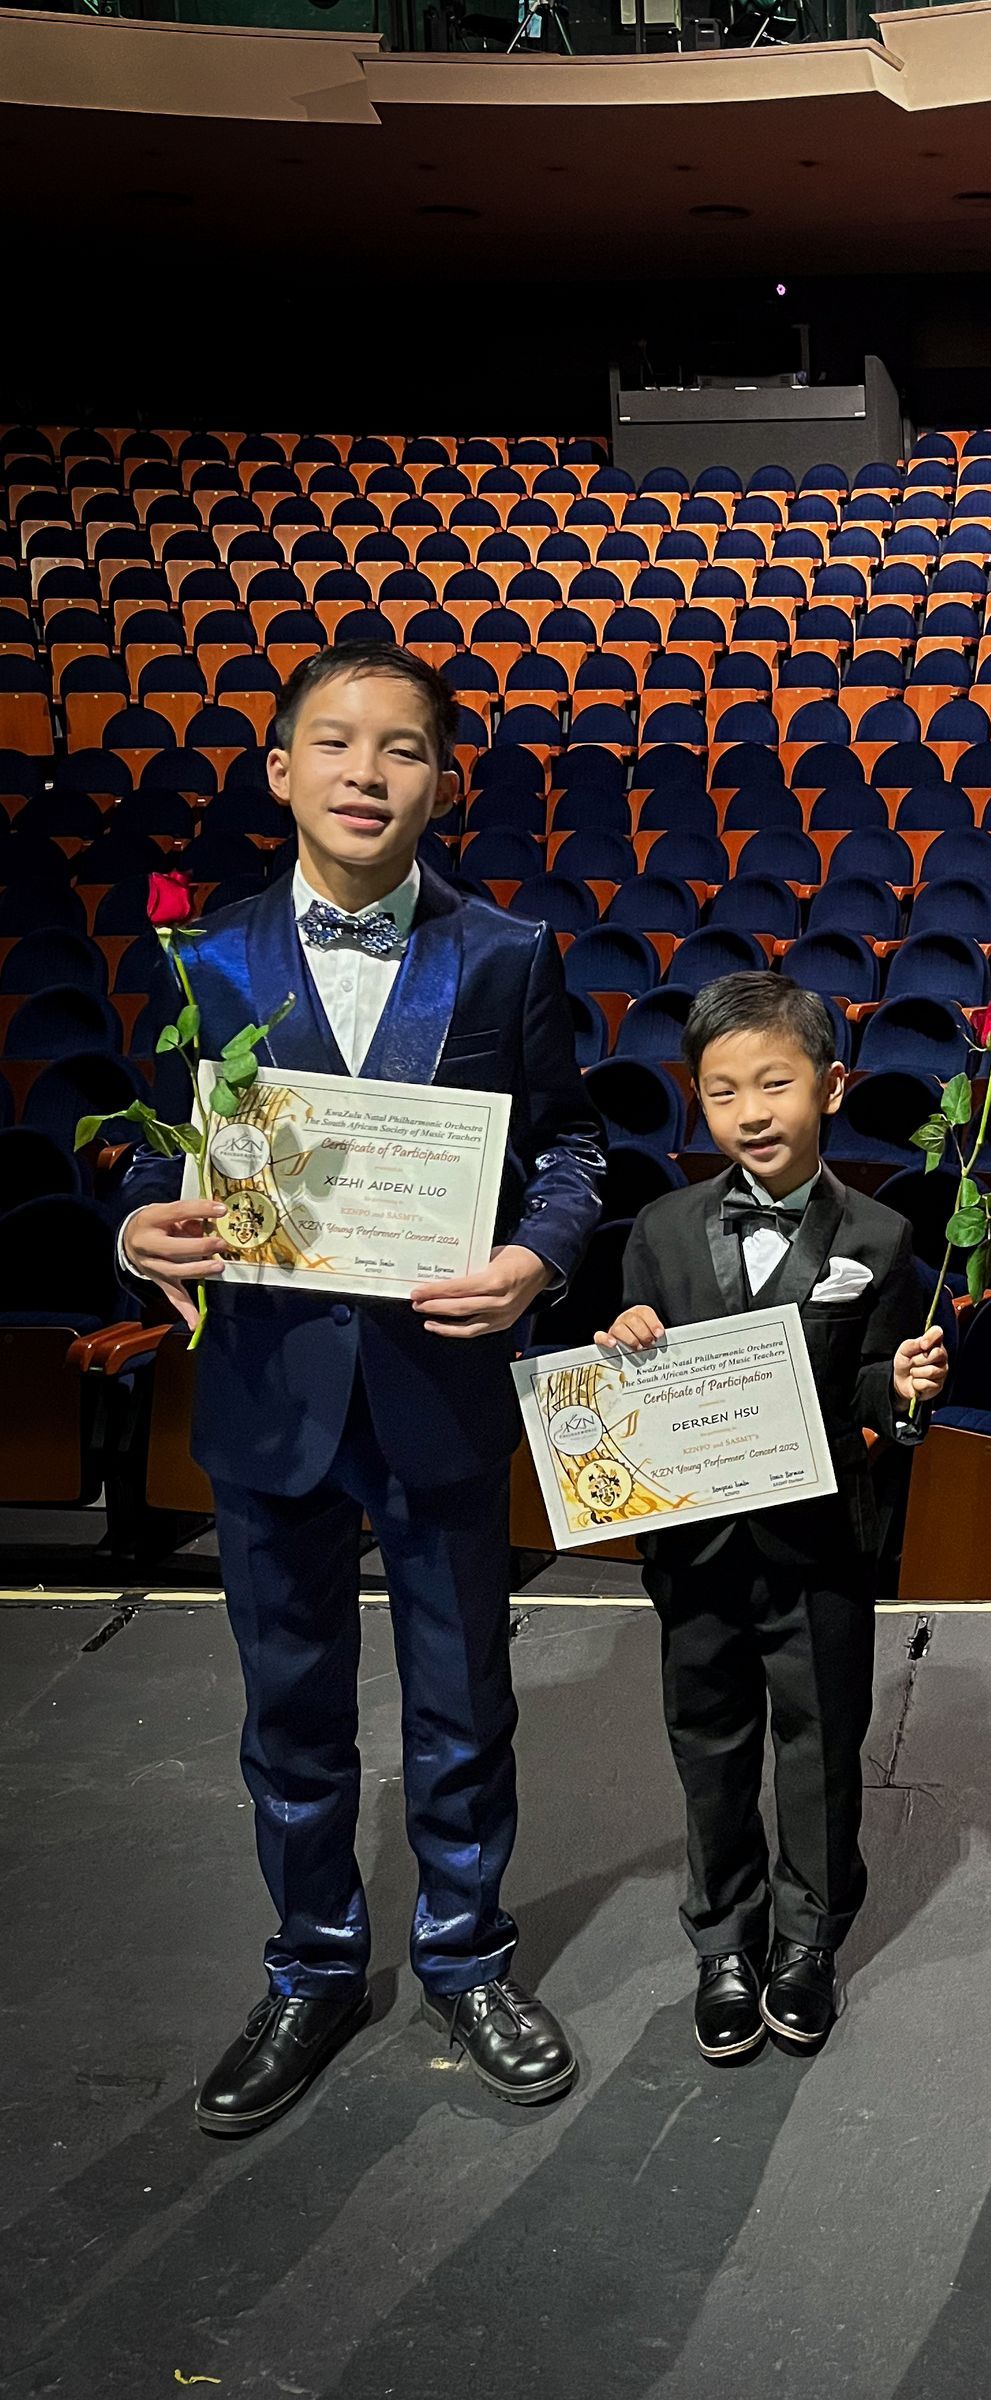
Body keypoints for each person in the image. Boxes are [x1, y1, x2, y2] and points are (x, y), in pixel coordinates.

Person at [115, 642, 604, 2134]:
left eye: (402, 750)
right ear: (281, 771)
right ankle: (313, 1967)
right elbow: (158, 1161)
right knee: (291, 1719)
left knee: (465, 1702)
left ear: (445, 783)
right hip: (270, 1404)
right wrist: (137, 1228)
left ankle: (467, 1952)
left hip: (441, 1390)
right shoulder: (203, 958)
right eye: (335, 743)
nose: (367, 773)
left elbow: (571, 1152)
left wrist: (533, 1264)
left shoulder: (508, 954)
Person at [596, 973, 947, 2065]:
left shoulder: (882, 1239)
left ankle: (808, 1941)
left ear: (830, 1086)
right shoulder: (656, 1228)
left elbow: (871, 1411)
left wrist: (904, 1388)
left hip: (820, 1551)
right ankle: (726, 1943)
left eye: (776, 1084)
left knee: (821, 1749)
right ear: (696, 1102)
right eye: (722, 1092)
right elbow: (632, 1378)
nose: (752, 1112)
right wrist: (626, 1338)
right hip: (696, 1551)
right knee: (708, 1745)